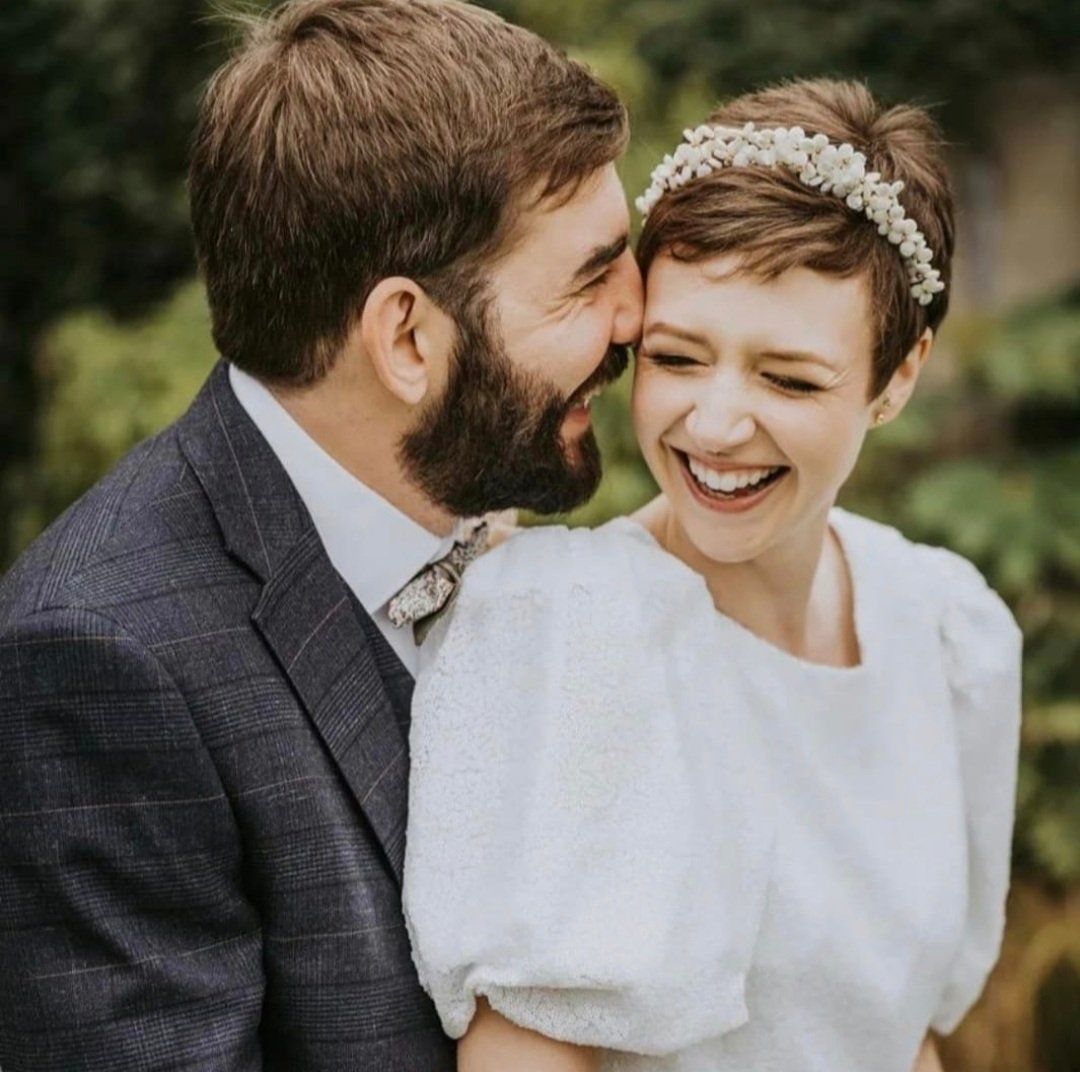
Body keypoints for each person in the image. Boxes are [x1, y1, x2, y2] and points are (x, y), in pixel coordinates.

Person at [0, 1, 642, 1068]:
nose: (638, 318)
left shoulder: (501, 527)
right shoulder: (97, 666)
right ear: (406, 339)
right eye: (588, 277)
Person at [403, 79, 1023, 1072]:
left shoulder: (949, 630)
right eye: (679, 357)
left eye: (788, 378)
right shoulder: (574, 628)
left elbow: (907, 1040)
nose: (716, 424)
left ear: (898, 375)